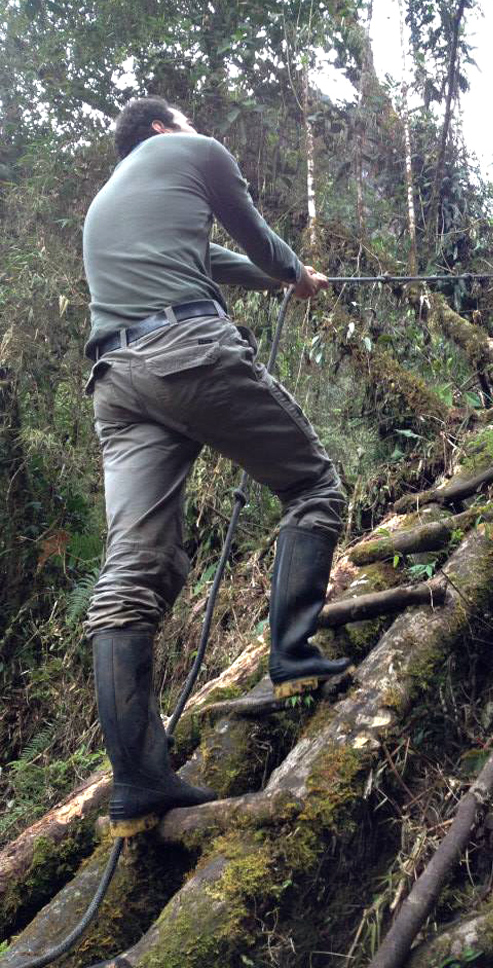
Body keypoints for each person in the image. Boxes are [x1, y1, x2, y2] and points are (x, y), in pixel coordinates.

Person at [82, 96, 348, 837]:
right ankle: (293, 652)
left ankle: (137, 780)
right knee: (313, 485)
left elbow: (217, 260)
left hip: (117, 382)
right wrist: (293, 270)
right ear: (165, 127)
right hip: (188, 352)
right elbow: (254, 238)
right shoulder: (195, 154)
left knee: (130, 576)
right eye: (188, 119)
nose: (199, 128)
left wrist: (292, 279)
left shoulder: (111, 202)